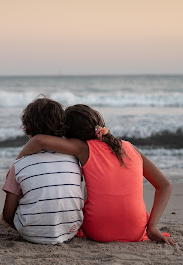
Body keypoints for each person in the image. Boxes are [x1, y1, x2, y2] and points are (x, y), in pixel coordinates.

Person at [17, 104, 174, 244]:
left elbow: (38, 141)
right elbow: (164, 186)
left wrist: (17, 164)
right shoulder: (130, 147)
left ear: (70, 134)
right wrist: (152, 226)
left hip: (98, 230)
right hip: (135, 231)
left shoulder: (82, 148)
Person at [1, 96, 84, 244]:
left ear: (26, 127)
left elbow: (7, 216)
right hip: (71, 230)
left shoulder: (20, 164)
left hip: (30, 235)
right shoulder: (74, 160)